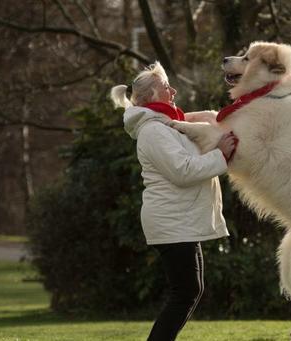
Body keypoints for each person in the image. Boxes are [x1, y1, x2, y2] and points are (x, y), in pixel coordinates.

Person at [110, 62, 237, 341]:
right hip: (172, 222)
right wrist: (221, 156)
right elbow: (183, 171)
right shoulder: (153, 131)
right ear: (151, 96)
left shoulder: (166, 125)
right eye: (167, 87)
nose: (174, 91)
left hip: (181, 221)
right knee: (185, 292)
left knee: (190, 291)